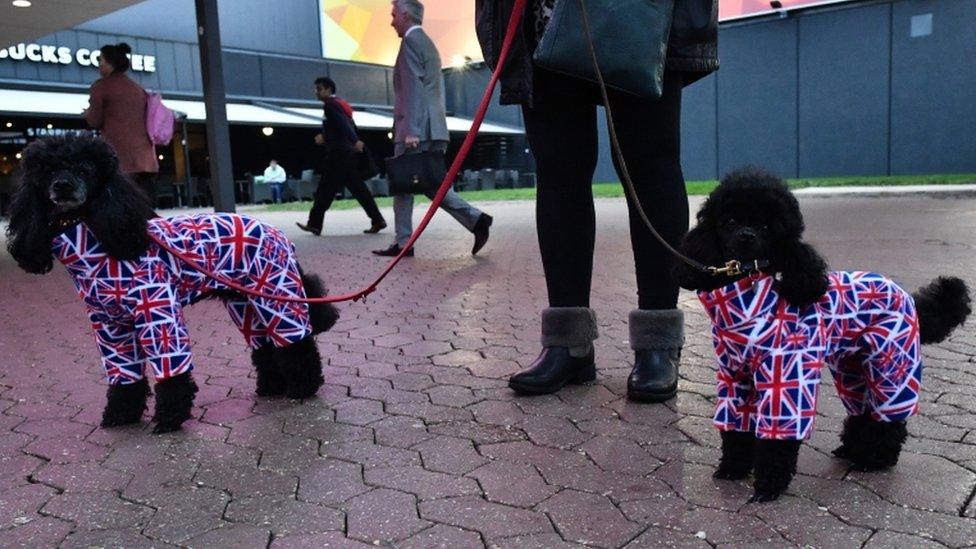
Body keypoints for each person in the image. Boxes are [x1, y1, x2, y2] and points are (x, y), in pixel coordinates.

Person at [475, 0, 719, 400]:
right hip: (542, 17)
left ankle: (658, 340)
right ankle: (567, 342)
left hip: (642, 13)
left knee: (650, 165)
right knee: (557, 172)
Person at [373, 0, 492, 258]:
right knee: (429, 186)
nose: (391, 21)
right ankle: (474, 221)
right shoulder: (426, 43)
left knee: (405, 183)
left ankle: (404, 242)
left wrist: (411, 130)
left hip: (418, 130)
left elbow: (413, 89)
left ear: (405, 15)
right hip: (433, 128)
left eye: (393, 15)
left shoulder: (411, 43)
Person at [296, 77, 388, 236]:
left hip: (338, 155)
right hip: (347, 154)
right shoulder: (340, 104)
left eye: (319, 89)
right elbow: (344, 126)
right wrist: (329, 137)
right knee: (358, 189)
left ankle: (315, 224)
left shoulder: (330, 105)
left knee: (325, 188)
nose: (316, 92)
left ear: (329, 89)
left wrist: (353, 140)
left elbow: (342, 125)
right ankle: (377, 220)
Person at [84, 42, 159, 205]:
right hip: (146, 160)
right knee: (145, 210)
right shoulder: (137, 88)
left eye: (100, 60)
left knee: (119, 210)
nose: (98, 64)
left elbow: (94, 121)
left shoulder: (101, 86)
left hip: (120, 160)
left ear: (109, 62)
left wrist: (87, 113)